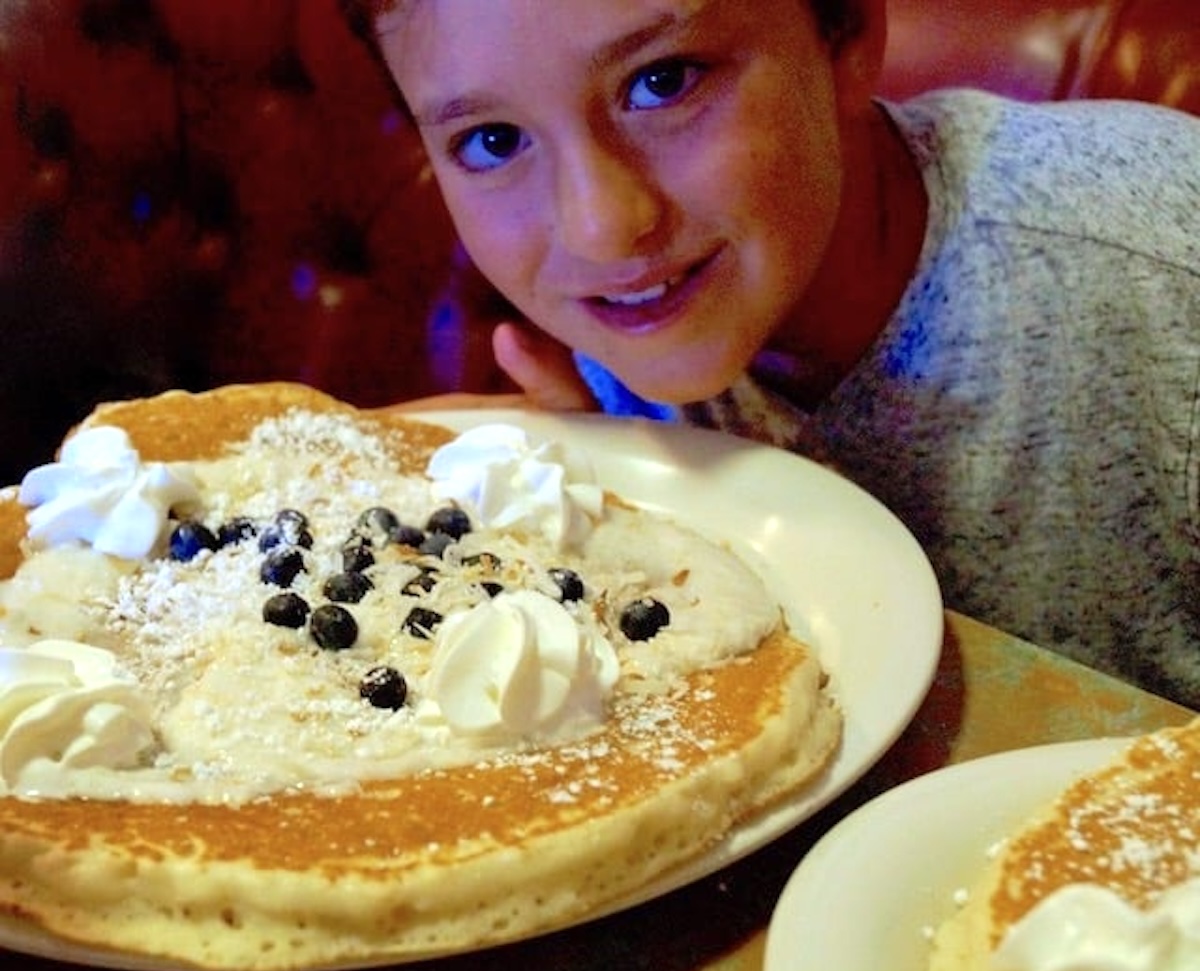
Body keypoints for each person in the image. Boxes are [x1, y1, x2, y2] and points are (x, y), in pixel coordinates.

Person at [344, 0, 1200, 708]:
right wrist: (598, 537)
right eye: (493, 141)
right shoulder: (607, 359)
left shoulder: (1162, 267)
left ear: (849, 38)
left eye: (662, 82)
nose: (601, 228)